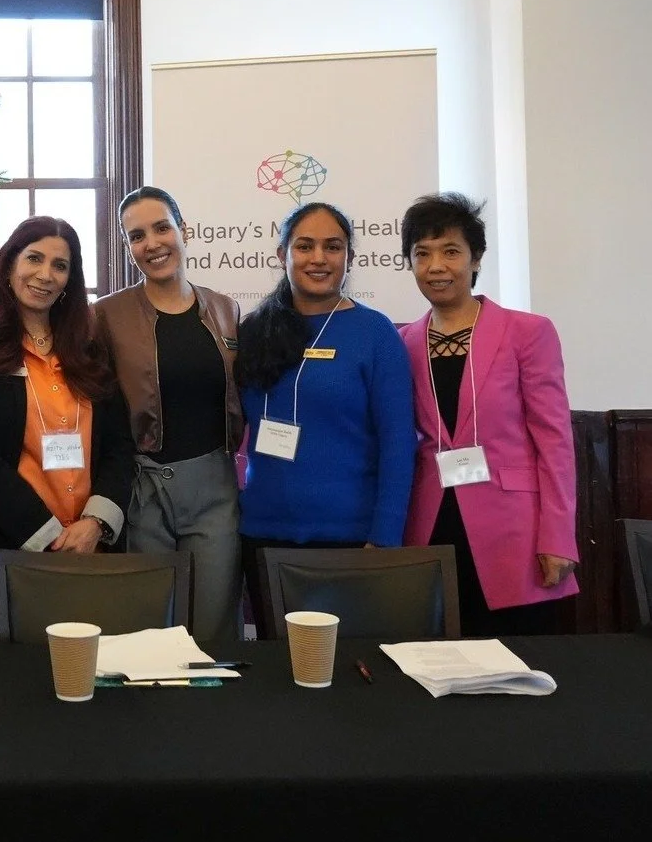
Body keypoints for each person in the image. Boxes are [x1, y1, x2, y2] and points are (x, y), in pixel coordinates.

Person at [399, 192, 578, 636]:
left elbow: (554, 442)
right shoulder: (402, 342)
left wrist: (558, 536)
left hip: (514, 532)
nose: (436, 266)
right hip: (430, 524)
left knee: (516, 666)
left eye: (451, 251)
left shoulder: (528, 332)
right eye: (422, 254)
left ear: (476, 259)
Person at [0, 216, 131, 628]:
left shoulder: (90, 349)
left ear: (69, 280)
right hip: (4, 546)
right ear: (10, 264)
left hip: (90, 547)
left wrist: (94, 524)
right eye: (34, 258)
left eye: (60, 266)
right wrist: (46, 533)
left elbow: (119, 446)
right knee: (23, 679)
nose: (45, 275)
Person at [235, 201, 416, 634]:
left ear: (349, 257)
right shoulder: (255, 331)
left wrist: (385, 535)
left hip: (351, 538)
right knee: (279, 669)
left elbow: (398, 442)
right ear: (283, 255)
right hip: (264, 533)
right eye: (305, 246)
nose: (319, 258)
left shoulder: (376, 333)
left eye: (333, 247)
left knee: (349, 672)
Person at [94, 186, 244, 645]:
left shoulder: (225, 309)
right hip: (143, 491)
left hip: (214, 490)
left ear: (185, 231)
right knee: (147, 630)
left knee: (213, 630)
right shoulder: (105, 316)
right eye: (137, 236)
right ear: (128, 248)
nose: (152, 243)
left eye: (162, 228)